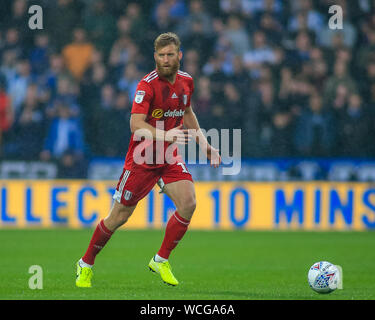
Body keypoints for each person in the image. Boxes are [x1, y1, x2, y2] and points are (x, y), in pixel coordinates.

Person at [75, 32, 221, 287]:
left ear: (179, 56)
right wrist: (167, 134)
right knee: (119, 217)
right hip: (142, 159)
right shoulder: (147, 85)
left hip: (167, 156)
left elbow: (187, 112)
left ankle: (160, 259)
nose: (165, 60)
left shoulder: (187, 81)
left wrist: (205, 145)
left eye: (170, 55)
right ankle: (85, 263)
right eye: (161, 55)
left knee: (188, 203)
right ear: (155, 56)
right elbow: (135, 125)